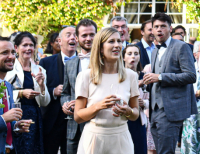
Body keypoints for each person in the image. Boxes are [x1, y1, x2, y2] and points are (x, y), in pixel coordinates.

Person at [74, 27, 141, 154]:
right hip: (94, 138)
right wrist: (98, 106)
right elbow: (78, 117)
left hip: (121, 138)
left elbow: (135, 114)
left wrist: (128, 111)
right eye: (111, 42)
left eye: (119, 41)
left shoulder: (131, 76)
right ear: (100, 48)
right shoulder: (85, 76)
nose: (117, 45)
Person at [144, 12, 197, 154]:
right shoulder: (155, 51)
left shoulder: (181, 47)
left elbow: (191, 76)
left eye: (163, 26)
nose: (159, 30)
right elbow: (154, 79)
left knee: (166, 152)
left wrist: (161, 77)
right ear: (152, 30)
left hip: (171, 110)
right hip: (154, 110)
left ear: (170, 28)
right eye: (156, 27)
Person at [7, 32, 51, 154]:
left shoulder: (40, 70)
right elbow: (3, 93)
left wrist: (42, 85)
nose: (28, 48)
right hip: (15, 114)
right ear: (16, 48)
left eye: (31, 45)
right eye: (24, 45)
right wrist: (21, 93)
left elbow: (45, 102)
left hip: (34, 116)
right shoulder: (9, 69)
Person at [40, 26, 77, 154]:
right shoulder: (45, 62)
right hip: (52, 120)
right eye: (68, 35)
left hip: (76, 120)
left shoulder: (85, 63)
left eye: (75, 35)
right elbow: (41, 89)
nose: (73, 37)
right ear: (59, 41)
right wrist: (53, 91)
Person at [62, 19, 97, 154]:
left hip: (96, 124)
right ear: (77, 38)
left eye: (91, 35)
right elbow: (65, 92)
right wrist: (65, 103)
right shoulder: (70, 64)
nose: (88, 39)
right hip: (73, 128)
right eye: (84, 35)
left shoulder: (106, 62)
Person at [124, 44, 148, 154]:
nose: (133, 56)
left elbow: (152, 98)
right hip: (123, 119)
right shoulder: (119, 75)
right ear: (123, 57)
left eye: (136, 54)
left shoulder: (145, 76)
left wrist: (144, 103)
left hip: (139, 120)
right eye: (129, 54)